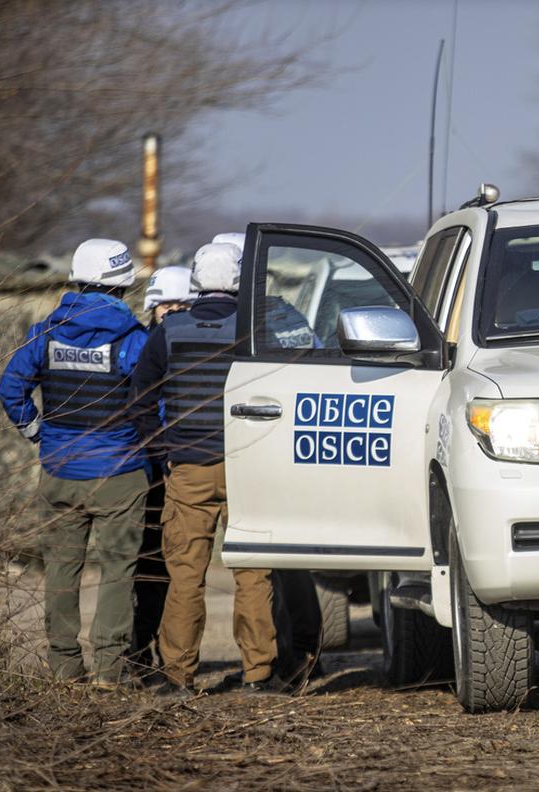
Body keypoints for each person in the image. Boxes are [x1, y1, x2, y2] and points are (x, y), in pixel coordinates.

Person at [129, 242, 287, 695]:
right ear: (240, 280)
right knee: (253, 574)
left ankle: (178, 676)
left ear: (196, 280)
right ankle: (260, 674)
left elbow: (139, 400)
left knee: (184, 576)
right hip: (248, 468)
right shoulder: (255, 327)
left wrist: (163, 451)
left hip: (188, 470)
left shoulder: (170, 331)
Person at [0, 238, 150, 688]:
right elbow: (153, 406)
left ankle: (64, 668)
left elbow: (11, 391)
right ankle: (110, 669)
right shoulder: (133, 339)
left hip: (60, 470)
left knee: (62, 570)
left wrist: (38, 433)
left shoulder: (45, 333)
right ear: (122, 287)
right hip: (119, 473)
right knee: (119, 569)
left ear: (75, 281)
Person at [209, 232, 324, 685]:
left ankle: (286, 658)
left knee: (260, 566)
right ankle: (303, 654)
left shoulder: (213, 322)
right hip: (279, 450)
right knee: (285, 560)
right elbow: (315, 367)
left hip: (233, 453)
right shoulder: (281, 313)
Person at [128, 265, 196, 681]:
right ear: (152, 308)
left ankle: (165, 654)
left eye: (181, 304)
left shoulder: (190, 344)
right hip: (151, 470)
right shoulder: (139, 344)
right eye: (164, 304)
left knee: (176, 569)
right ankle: (140, 653)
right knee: (149, 568)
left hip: (180, 465)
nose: (171, 311)